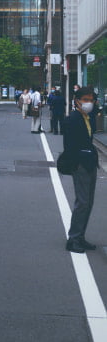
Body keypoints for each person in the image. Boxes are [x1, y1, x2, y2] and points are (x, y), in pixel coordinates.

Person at [63, 86, 99, 253]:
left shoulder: (88, 117)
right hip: (80, 165)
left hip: (90, 163)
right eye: (85, 100)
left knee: (89, 203)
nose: (89, 103)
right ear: (77, 101)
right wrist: (76, 164)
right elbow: (69, 146)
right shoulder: (73, 119)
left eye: (91, 100)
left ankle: (80, 237)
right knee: (82, 202)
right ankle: (73, 239)